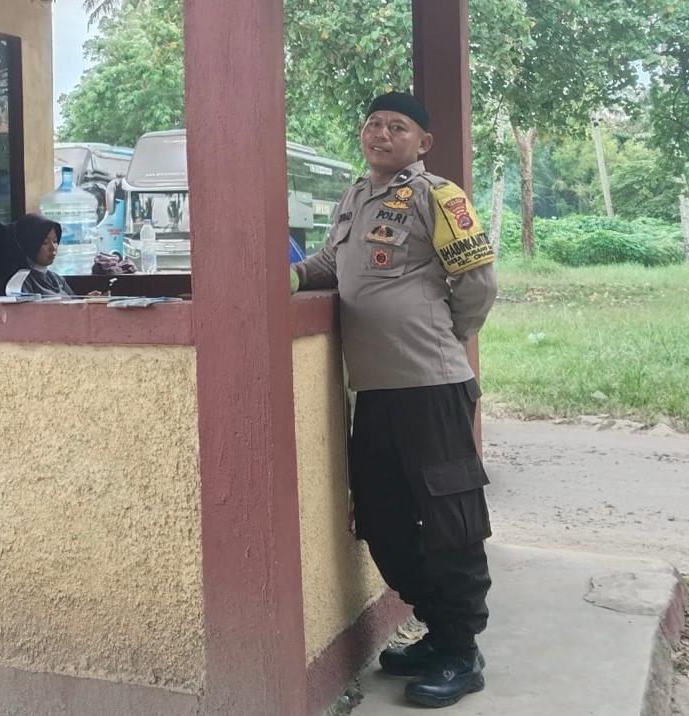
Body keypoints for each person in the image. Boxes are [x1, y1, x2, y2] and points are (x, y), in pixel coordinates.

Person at [291, 91, 498, 709]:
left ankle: (461, 650)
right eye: (373, 123)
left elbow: (478, 283)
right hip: (376, 390)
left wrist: (446, 335)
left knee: (449, 518)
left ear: (422, 142)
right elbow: (334, 263)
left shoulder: (440, 196)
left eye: (397, 127)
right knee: (380, 517)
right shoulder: (355, 196)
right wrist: (293, 276)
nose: (380, 133)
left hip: (432, 384)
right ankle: (436, 626)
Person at [0, 213, 76, 296]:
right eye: (45, 242)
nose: (53, 248)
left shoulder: (57, 279)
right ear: (29, 244)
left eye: (55, 241)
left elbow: (76, 302)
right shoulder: (19, 282)